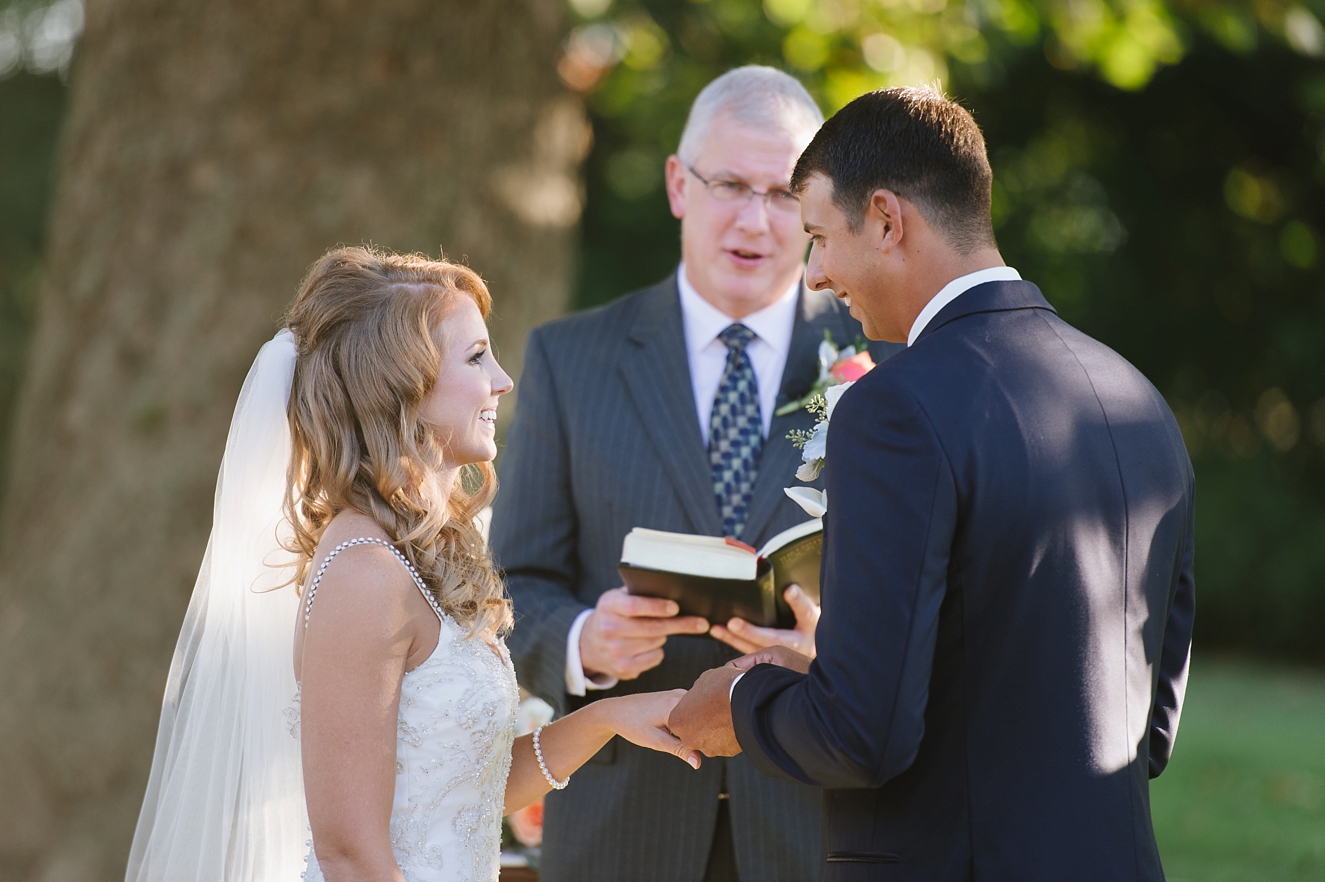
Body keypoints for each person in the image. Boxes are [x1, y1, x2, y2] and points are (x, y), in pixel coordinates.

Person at [669, 86, 1196, 881]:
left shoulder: (893, 406)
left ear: (885, 218)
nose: (813, 275)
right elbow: (1148, 728)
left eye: (817, 235)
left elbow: (862, 737)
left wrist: (737, 707)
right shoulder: (1136, 399)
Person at [126, 247, 700, 882]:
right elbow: (350, 854)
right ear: (403, 385)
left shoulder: (419, 556)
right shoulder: (363, 571)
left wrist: (607, 718)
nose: (503, 381)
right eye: (477, 357)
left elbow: (460, 798)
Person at [490, 66, 901, 882]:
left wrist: (836, 651)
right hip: (623, 822)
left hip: (818, 817)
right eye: (728, 186)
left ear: (819, 208)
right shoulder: (571, 359)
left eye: (784, 194)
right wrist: (584, 641)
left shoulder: (885, 365)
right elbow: (514, 584)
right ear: (679, 185)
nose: (755, 220)